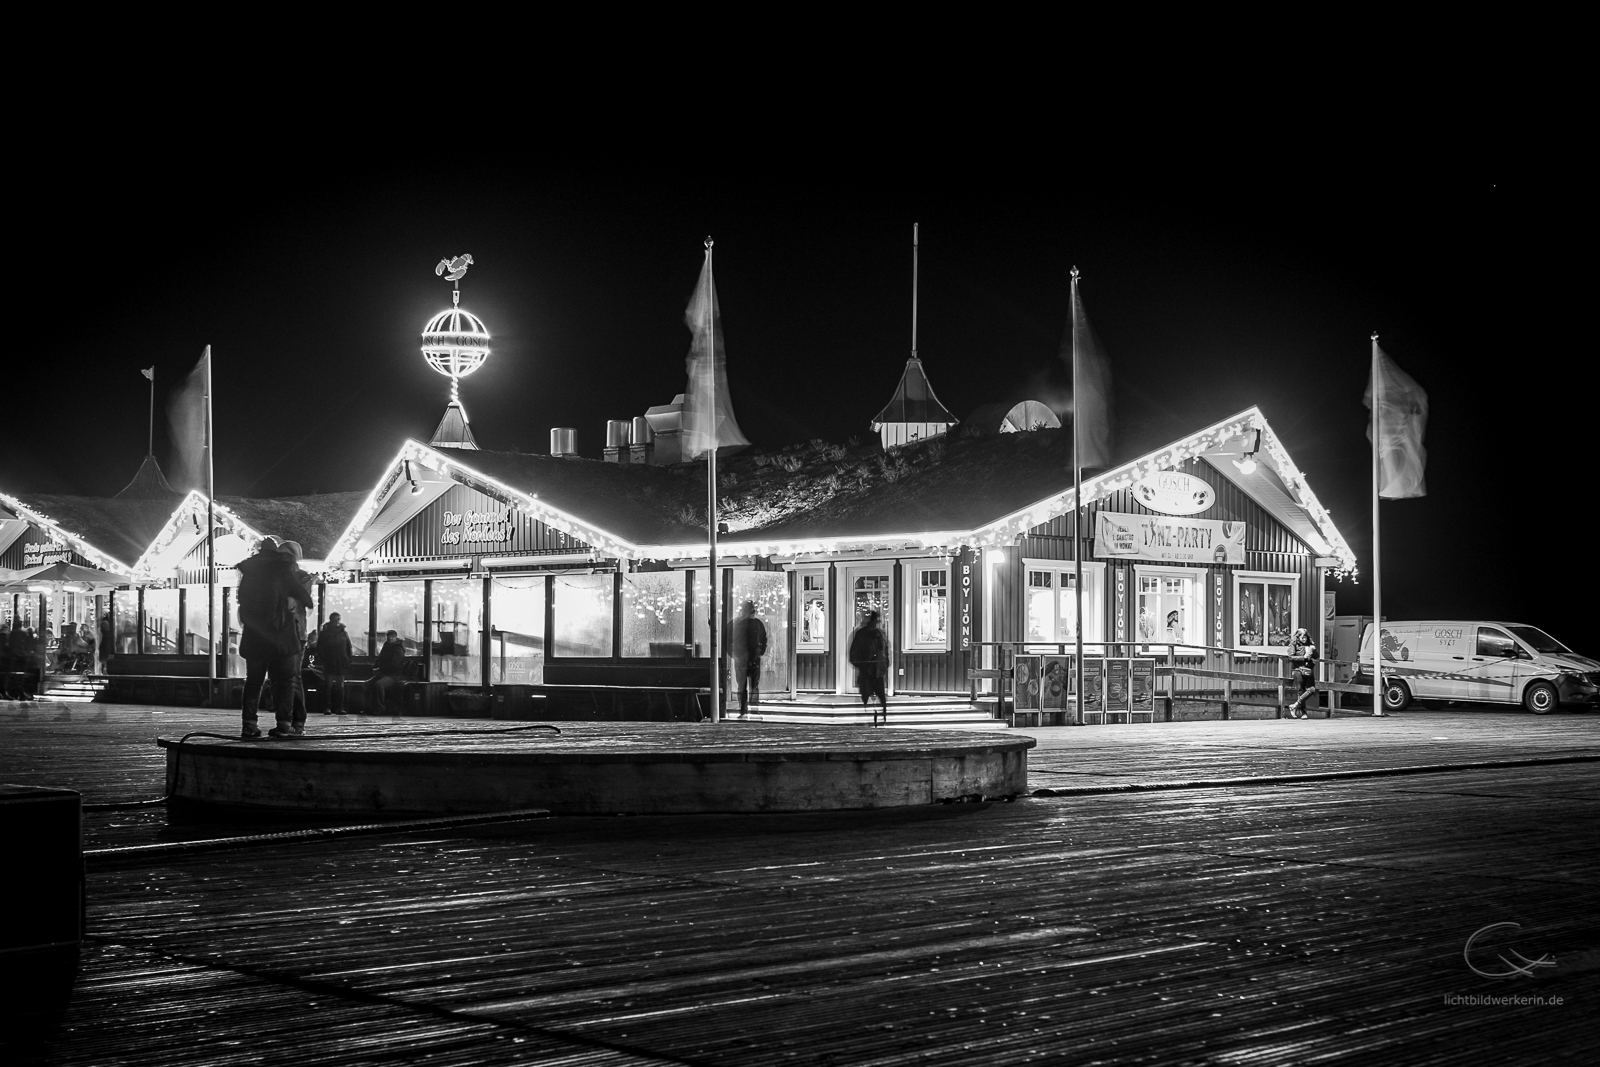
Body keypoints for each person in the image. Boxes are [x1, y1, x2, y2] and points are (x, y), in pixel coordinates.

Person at [237, 535, 313, 739]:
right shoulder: (283, 571)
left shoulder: (250, 573)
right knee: (286, 680)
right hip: (282, 636)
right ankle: (284, 724)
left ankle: (249, 724)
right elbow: (305, 599)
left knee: (254, 681)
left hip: (255, 636)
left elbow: (241, 601)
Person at [848, 610, 890, 725]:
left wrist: (884, 664)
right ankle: (870, 720)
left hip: (877, 671)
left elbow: (885, 650)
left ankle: (881, 720)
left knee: (880, 698)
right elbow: (854, 654)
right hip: (867, 673)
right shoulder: (863, 634)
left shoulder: (879, 634)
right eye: (875, 620)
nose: (877, 623)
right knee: (868, 696)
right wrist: (864, 665)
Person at [730, 600, 768, 717]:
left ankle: (743, 710)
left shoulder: (736, 623)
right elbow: (763, 639)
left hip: (742, 658)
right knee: (754, 685)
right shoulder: (757, 624)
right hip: (753, 658)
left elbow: (729, 640)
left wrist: (734, 654)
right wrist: (760, 652)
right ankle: (754, 709)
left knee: (742, 685)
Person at [315, 611, 353, 714]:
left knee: (339, 686)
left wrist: (348, 659)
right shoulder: (326, 633)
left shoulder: (343, 633)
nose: (336, 622)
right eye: (334, 620)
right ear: (331, 620)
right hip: (331, 662)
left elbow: (348, 647)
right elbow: (320, 648)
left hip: (341, 662)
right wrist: (325, 659)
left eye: (338, 620)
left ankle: (339, 708)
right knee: (328, 686)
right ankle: (328, 707)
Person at [367, 630, 407, 713]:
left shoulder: (398, 649)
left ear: (395, 638)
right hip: (384, 673)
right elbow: (380, 659)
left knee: (379, 684)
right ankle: (369, 707)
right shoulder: (386, 646)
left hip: (394, 675)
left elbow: (394, 664)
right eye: (389, 638)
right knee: (366, 684)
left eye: (391, 637)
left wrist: (379, 669)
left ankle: (381, 707)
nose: (390, 639)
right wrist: (374, 667)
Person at [1287, 627, 1318, 719]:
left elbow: (1316, 656)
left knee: (1311, 689)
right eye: (1302, 637)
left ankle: (1295, 705)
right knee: (1300, 691)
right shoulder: (1293, 645)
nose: (1304, 639)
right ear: (1298, 637)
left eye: (1305, 637)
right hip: (1298, 670)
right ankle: (1304, 713)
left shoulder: (1310, 644)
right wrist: (1303, 657)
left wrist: (1314, 650)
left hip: (1308, 669)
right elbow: (1291, 657)